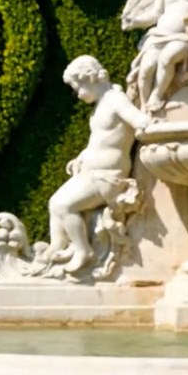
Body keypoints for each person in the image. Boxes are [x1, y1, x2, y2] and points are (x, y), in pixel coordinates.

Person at [46, 56, 149, 272]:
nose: (78, 93)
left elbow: (138, 119)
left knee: (64, 205)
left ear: (90, 77)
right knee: (54, 203)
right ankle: (57, 248)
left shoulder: (115, 100)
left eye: (78, 87)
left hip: (108, 177)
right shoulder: (101, 104)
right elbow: (102, 139)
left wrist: (146, 125)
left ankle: (83, 251)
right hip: (90, 173)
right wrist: (82, 156)